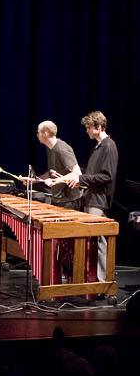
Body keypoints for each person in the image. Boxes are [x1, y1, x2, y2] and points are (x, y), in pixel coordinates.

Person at [68, 111, 118, 282]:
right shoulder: (97, 147)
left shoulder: (109, 146)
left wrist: (81, 178)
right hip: (90, 198)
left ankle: (103, 282)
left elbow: (107, 176)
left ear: (98, 127)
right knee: (92, 242)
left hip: (99, 201)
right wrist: (79, 181)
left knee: (99, 241)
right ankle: (93, 279)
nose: (87, 131)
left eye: (89, 128)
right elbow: (93, 176)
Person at [33, 120, 83, 209]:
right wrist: (35, 180)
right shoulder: (50, 148)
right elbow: (51, 172)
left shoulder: (62, 149)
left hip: (69, 201)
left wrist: (56, 181)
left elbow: (77, 173)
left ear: (45, 133)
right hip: (58, 199)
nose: (37, 135)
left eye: (38, 132)